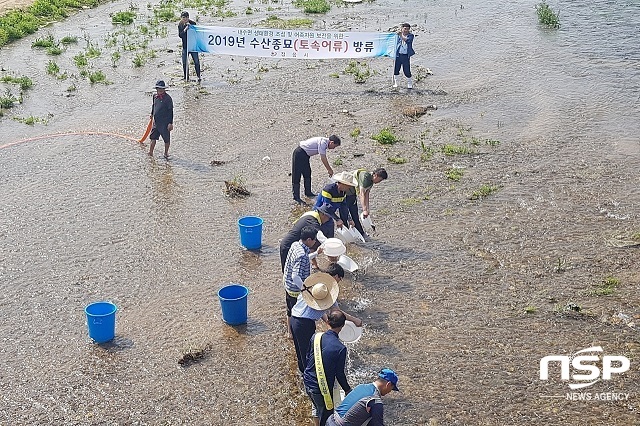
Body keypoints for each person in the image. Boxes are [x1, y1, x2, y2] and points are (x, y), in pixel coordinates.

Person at [289, 265, 363, 375]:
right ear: (337, 277)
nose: (338, 283)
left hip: (294, 319)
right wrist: (354, 320)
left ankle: (302, 375)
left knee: (301, 352)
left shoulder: (313, 286)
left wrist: (326, 320)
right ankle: (309, 382)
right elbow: (337, 312)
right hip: (305, 324)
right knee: (308, 355)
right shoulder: (326, 291)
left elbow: (319, 307)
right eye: (340, 280)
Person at [303, 309, 352, 426]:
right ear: (343, 326)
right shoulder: (340, 348)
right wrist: (347, 390)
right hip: (321, 389)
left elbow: (307, 357)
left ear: (327, 322)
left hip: (308, 381)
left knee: (316, 407)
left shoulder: (316, 337)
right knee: (326, 416)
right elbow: (339, 374)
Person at [326, 369, 399, 426]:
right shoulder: (375, 401)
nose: (390, 391)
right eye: (392, 388)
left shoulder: (360, 386)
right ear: (388, 384)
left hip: (330, 420)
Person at [283, 225, 318, 338]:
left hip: (287, 284)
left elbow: (304, 259)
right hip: (295, 289)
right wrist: (305, 289)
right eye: (314, 239)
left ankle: (289, 332)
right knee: (296, 311)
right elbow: (296, 276)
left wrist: (317, 253)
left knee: (289, 309)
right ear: (309, 240)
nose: (315, 241)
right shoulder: (301, 255)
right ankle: (293, 332)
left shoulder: (295, 245)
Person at [279, 204, 336, 273]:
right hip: (288, 247)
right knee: (290, 272)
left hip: (293, 245)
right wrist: (331, 245)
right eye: (328, 217)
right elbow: (320, 236)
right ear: (323, 214)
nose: (328, 220)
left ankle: (314, 265)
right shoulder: (312, 220)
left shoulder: (311, 214)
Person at [292, 135, 341, 204]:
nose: (333, 148)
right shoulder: (323, 143)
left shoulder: (325, 142)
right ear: (331, 142)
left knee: (307, 173)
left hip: (306, 155)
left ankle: (308, 192)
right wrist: (329, 169)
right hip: (299, 153)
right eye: (334, 146)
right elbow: (323, 158)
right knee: (297, 175)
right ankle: (296, 197)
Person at [343, 168, 388, 240]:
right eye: (380, 180)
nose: (379, 182)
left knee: (354, 213)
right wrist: (364, 209)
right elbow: (362, 193)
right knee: (346, 212)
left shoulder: (371, 181)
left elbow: (367, 194)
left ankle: (360, 233)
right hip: (346, 188)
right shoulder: (366, 178)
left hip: (352, 191)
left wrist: (367, 209)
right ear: (375, 175)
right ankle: (347, 234)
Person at [314, 171, 357, 239]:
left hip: (329, 216)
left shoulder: (343, 192)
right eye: (348, 186)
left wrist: (349, 219)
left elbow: (344, 206)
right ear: (342, 184)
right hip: (319, 215)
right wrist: (337, 219)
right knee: (319, 236)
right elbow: (326, 207)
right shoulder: (328, 190)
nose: (349, 188)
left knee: (330, 237)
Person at [148, 80, 174, 159]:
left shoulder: (168, 99)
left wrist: (170, 123)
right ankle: (150, 152)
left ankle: (166, 153)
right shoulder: (155, 96)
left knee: (166, 139)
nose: (160, 91)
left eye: (162, 89)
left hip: (165, 123)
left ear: (164, 90)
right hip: (156, 122)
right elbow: (154, 106)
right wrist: (152, 114)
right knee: (153, 137)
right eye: (158, 89)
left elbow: (170, 111)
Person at [178, 11, 202, 82]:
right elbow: (180, 35)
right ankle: (186, 77)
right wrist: (185, 29)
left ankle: (198, 76)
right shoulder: (180, 25)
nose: (185, 19)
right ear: (181, 18)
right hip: (185, 47)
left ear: (188, 17)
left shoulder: (193, 23)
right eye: (184, 17)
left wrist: (190, 27)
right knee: (185, 62)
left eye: (187, 17)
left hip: (193, 46)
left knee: (196, 61)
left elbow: (196, 32)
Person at [392, 23, 415, 89]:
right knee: (396, 70)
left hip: (405, 56)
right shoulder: (397, 36)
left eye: (407, 29)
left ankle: (409, 83)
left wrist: (401, 35)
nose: (406, 30)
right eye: (405, 29)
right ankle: (396, 83)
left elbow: (407, 40)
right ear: (402, 29)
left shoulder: (411, 36)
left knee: (406, 71)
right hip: (398, 55)